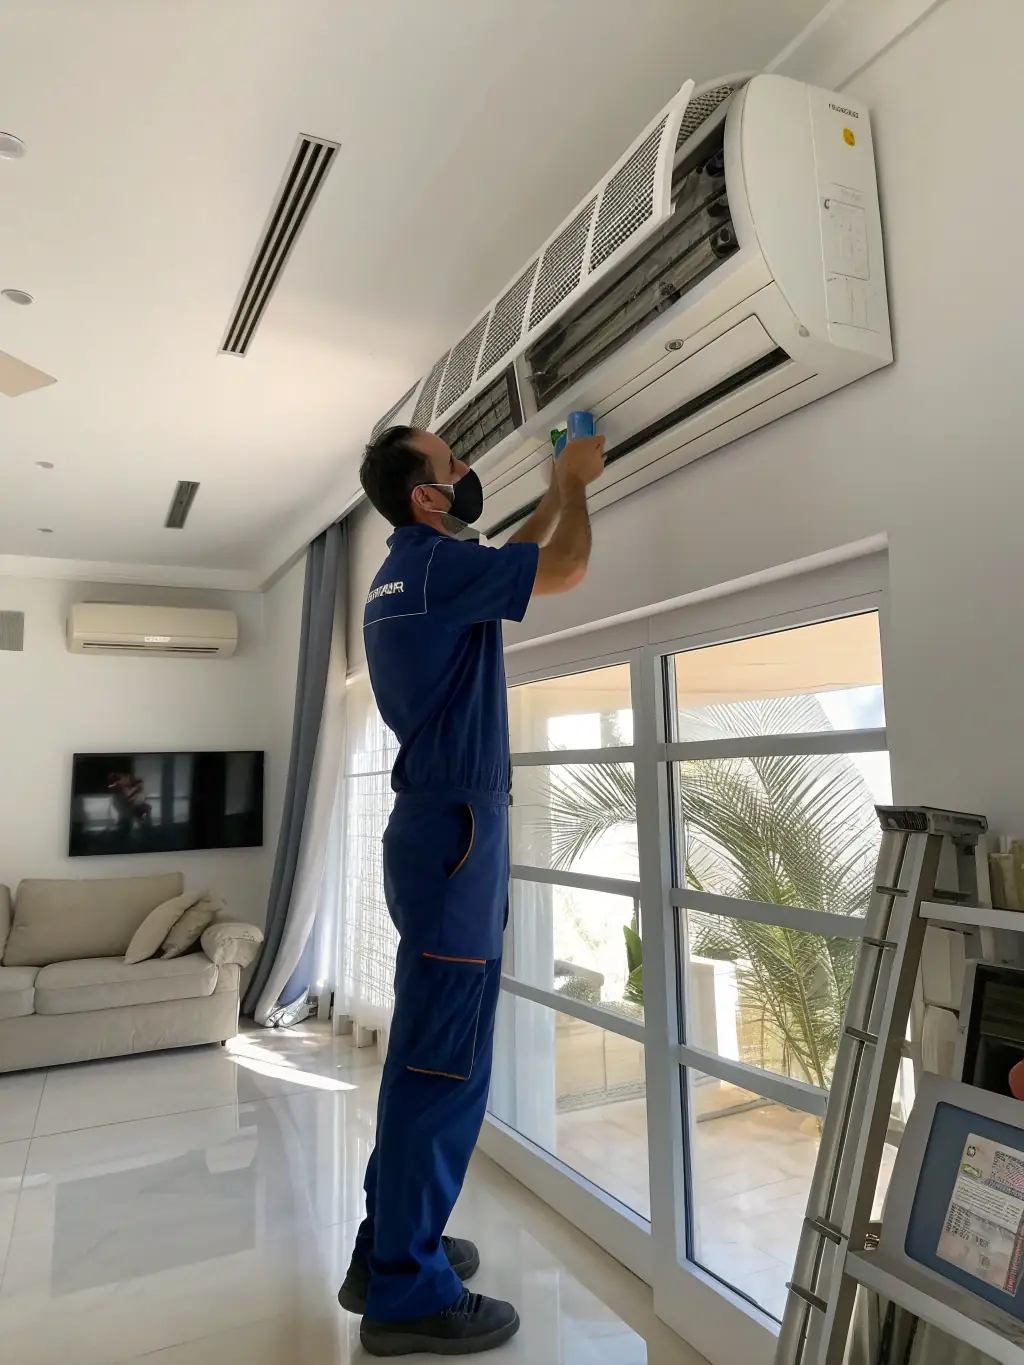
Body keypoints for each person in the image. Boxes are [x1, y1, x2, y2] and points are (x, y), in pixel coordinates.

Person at [337, 423, 605, 1356]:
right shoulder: (441, 572)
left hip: (437, 830)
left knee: (421, 1053)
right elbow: (563, 565)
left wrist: (548, 492)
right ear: (426, 496)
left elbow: (519, 556)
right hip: (454, 838)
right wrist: (574, 481)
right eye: (454, 465)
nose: (466, 471)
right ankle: (408, 1293)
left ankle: (388, 1249)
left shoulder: (409, 571)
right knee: (442, 1069)